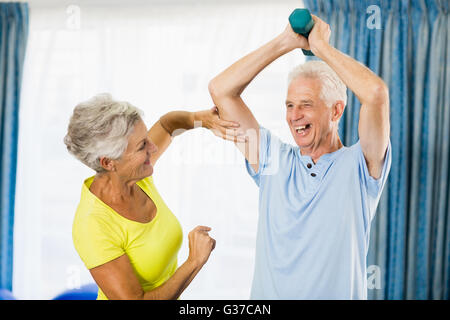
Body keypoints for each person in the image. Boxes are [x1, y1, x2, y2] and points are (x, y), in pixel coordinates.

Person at [208, 14, 391, 299]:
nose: (295, 116)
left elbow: (376, 94)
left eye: (306, 105)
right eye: (290, 105)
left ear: (336, 111)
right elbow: (221, 90)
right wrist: (286, 42)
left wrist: (321, 49)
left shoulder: (360, 166)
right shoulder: (271, 159)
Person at [64, 93, 244, 300]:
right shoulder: (93, 225)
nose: (154, 147)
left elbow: (168, 125)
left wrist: (202, 119)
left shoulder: (133, 176)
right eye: (142, 146)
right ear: (108, 162)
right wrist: (194, 261)